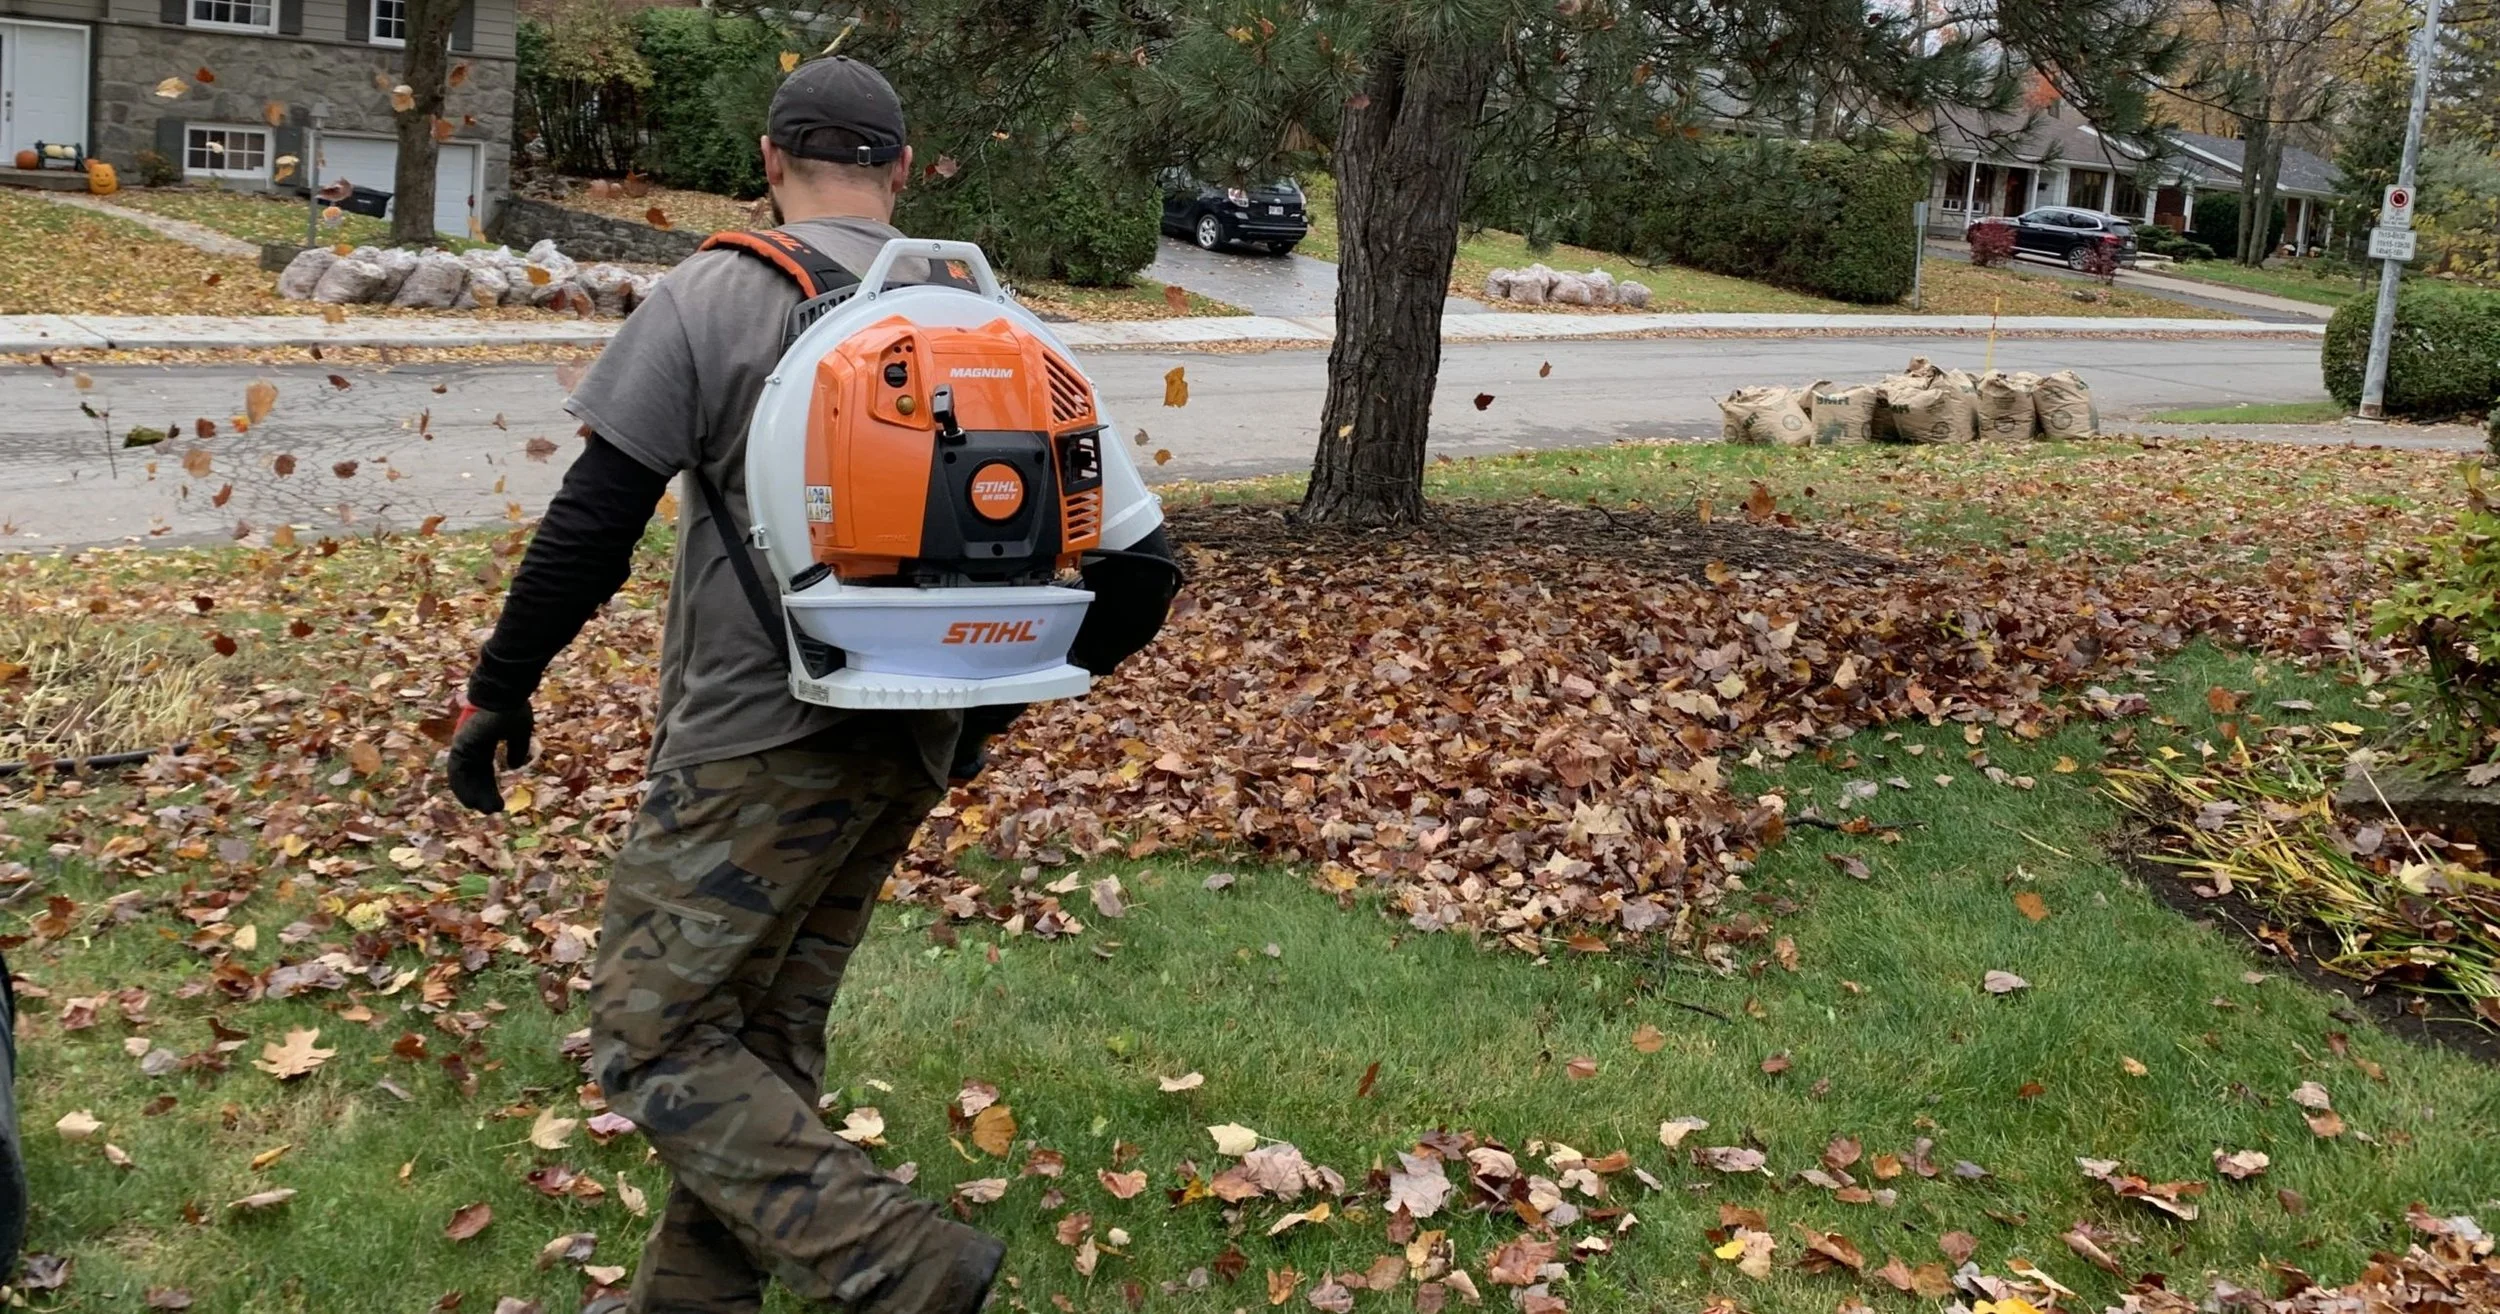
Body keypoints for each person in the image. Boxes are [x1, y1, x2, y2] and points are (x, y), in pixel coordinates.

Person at [444, 56, 1175, 1314]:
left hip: (748, 739)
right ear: (901, 169)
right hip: (909, 741)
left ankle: (901, 1267)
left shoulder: (710, 298)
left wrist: (499, 690)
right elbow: (1145, 576)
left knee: (649, 1033)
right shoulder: (995, 329)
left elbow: (589, 525)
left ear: (770, 162)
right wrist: (981, 710)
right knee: (761, 1030)